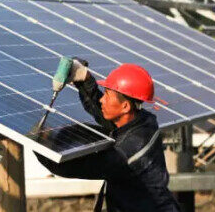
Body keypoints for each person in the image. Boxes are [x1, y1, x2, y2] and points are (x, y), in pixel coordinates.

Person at [36, 60, 181, 212]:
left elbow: (66, 166)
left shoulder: (126, 153)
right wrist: (85, 80)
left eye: (106, 94)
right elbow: (106, 115)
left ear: (125, 106)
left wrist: (38, 142)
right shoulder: (145, 124)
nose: (102, 99)